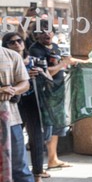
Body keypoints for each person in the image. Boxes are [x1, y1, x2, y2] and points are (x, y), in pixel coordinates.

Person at [0, 40, 58, 182]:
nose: (17, 43)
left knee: (19, 162)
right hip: (9, 118)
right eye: (13, 41)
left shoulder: (11, 55)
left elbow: (24, 83)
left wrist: (12, 90)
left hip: (10, 118)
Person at [27, 20, 71, 170]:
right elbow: (49, 72)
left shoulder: (56, 47)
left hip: (57, 92)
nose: (47, 33)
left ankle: (53, 159)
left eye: (49, 30)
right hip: (45, 94)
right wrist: (63, 64)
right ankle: (38, 166)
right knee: (45, 128)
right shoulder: (35, 50)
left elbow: (64, 62)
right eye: (42, 31)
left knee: (56, 126)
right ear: (36, 35)